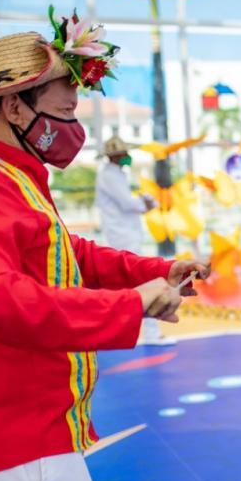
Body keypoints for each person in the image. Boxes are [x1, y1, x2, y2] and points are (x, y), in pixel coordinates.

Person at [0, 11, 210, 481]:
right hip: (7, 434)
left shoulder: (11, 175)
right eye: (65, 112)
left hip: (31, 426)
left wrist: (154, 272)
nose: (72, 129)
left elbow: (65, 252)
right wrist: (129, 306)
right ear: (13, 106)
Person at [95, 136, 172, 345]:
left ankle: (145, 332)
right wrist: (145, 203)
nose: (127, 156)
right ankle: (150, 333)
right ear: (114, 156)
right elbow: (128, 204)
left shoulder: (116, 174)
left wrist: (144, 202)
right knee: (138, 280)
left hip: (125, 232)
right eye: (123, 154)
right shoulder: (109, 176)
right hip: (122, 235)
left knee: (132, 281)